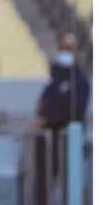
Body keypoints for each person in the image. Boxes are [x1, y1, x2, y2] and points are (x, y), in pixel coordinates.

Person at [35, 33, 90, 179]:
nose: (65, 52)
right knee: (47, 177)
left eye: (69, 48)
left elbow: (76, 111)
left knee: (69, 179)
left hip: (68, 140)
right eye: (63, 48)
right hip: (49, 142)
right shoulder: (54, 79)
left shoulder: (80, 81)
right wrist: (41, 116)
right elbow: (44, 103)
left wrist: (48, 120)